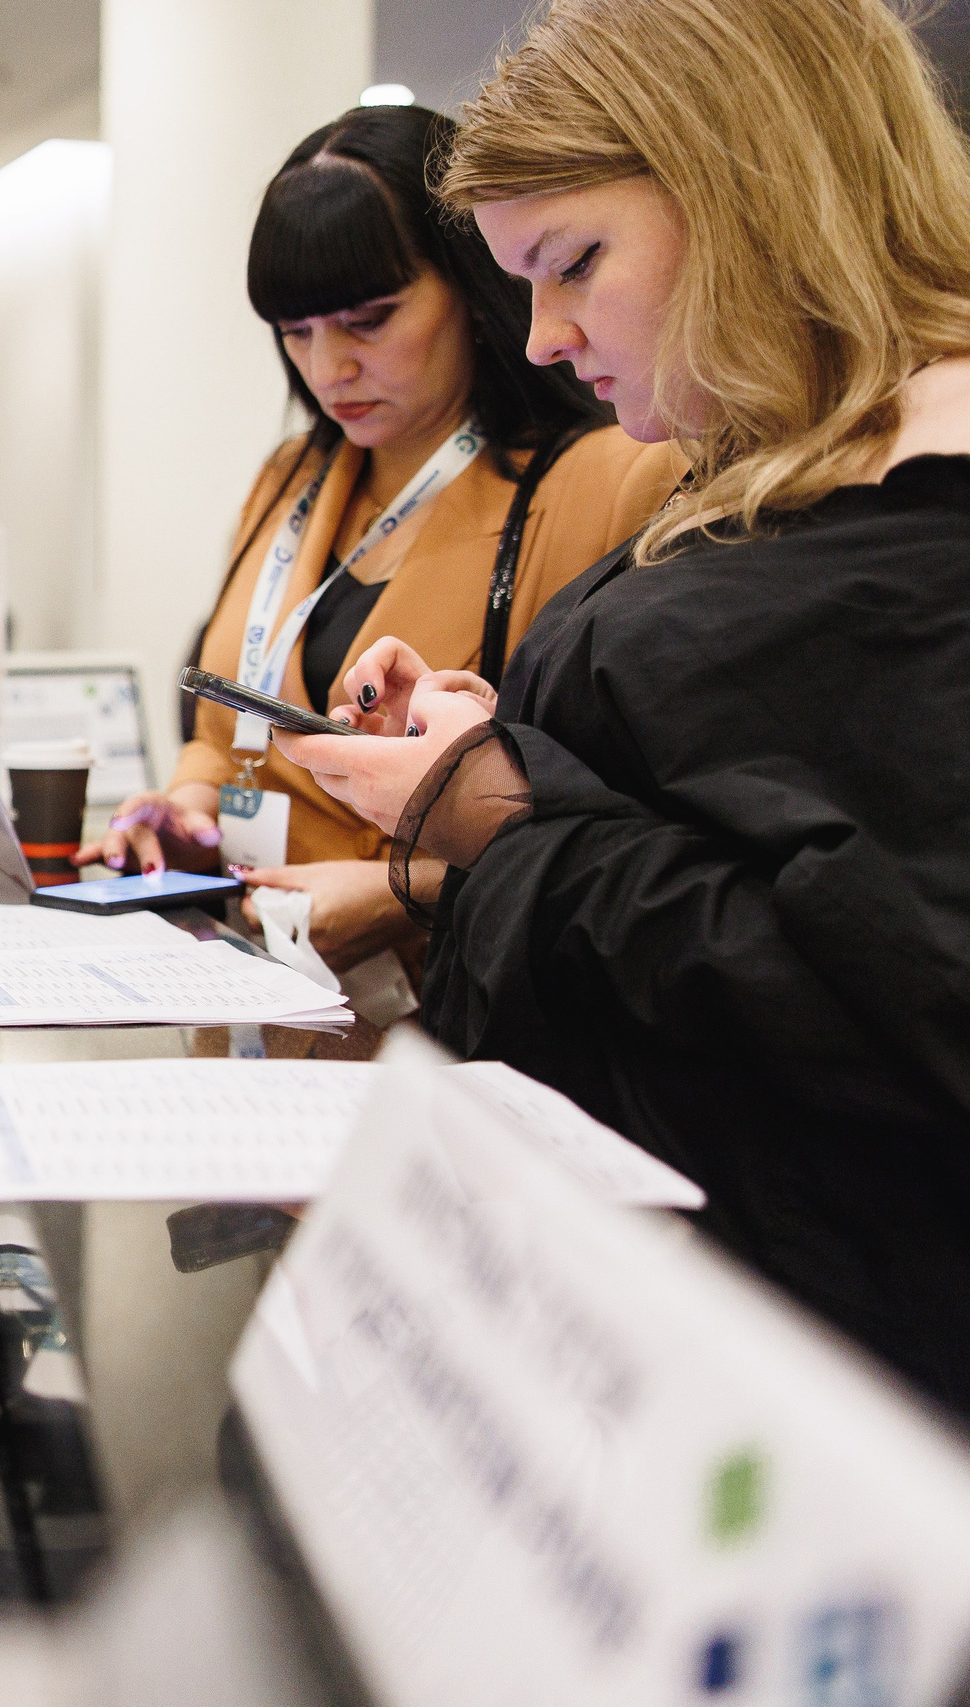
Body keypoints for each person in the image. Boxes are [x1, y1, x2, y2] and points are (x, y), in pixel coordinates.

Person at [274, 0, 970, 1414]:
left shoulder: (916, 537)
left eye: (575, 261)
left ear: (757, 195)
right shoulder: (779, 470)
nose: (540, 337)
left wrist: (503, 807)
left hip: (822, 1406)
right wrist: (508, 744)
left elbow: (876, 988)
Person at [76, 104, 677, 992]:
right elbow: (223, 732)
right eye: (297, 332)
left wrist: (412, 891)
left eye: (369, 319)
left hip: (462, 1020)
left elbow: (632, 821)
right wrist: (186, 812)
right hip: (263, 996)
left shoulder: (609, 480)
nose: (328, 371)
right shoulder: (291, 478)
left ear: (473, 291)